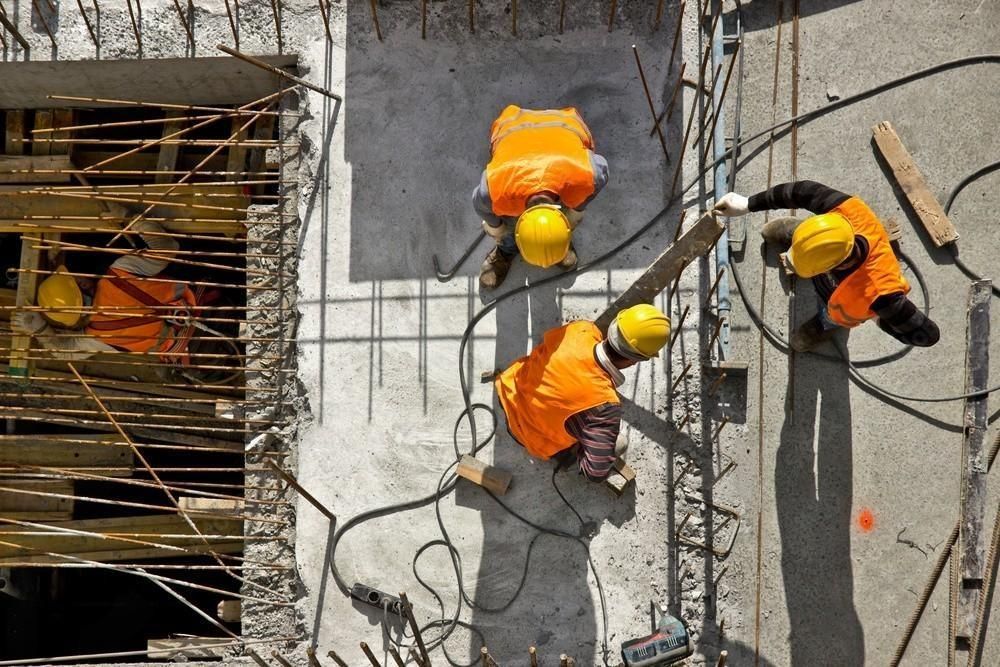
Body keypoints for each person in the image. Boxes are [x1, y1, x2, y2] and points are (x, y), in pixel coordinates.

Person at [713, 180, 940, 351]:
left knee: (826, 321)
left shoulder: (882, 294)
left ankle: (825, 324)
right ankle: (798, 233)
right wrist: (747, 204)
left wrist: (877, 317)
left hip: (839, 308)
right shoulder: (848, 210)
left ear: (831, 265)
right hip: (821, 237)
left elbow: (927, 335)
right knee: (777, 232)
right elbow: (800, 192)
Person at [494, 304, 670, 482]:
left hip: (509, 389)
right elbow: (595, 473)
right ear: (635, 360)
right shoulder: (605, 407)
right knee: (620, 444)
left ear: (613, 326)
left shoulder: (582, 330)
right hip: (528, 435)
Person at [12, 220, 197, 362]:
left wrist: (39, 328)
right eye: (75, 278)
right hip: (209, 305)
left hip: (192, 350)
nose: (78, 274)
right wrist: (137, 222)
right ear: (82, 287)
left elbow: (64, 351)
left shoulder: (98, 337)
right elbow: (167, 248)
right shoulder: (119, 274)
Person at [472, 105, 610, 290]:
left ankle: (554, 242)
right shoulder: (494, 192)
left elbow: (601, 169)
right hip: (513, 124)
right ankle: (507, 248)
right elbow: (480, 204)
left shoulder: (587, 176)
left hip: (565, 122)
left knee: (574, 199)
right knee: (504, 228)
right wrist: (498, 230)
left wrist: (576, 211)